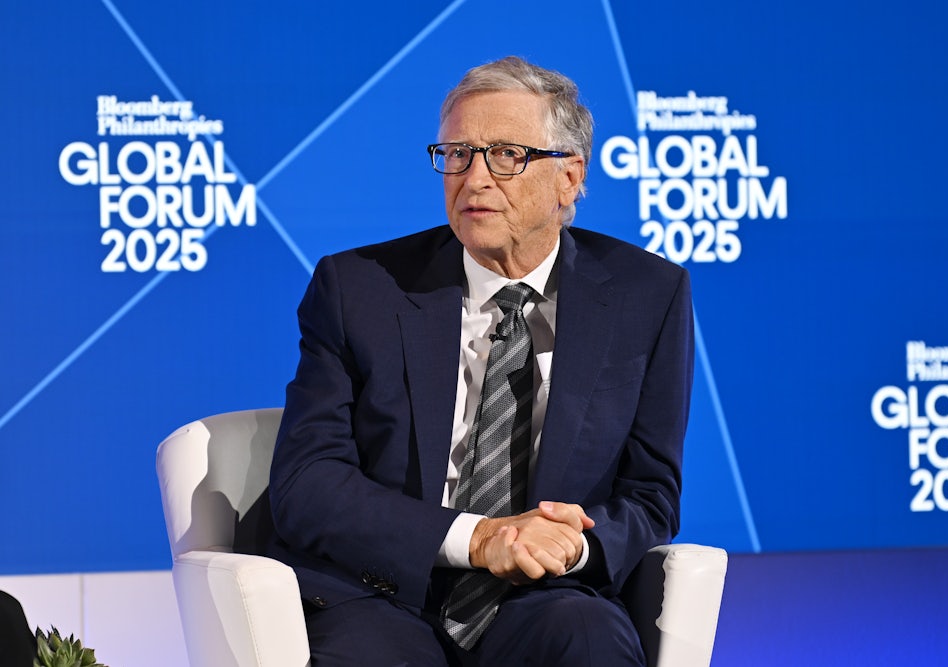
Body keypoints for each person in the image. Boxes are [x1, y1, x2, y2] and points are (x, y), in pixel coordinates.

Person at [268, 55, 693, 666]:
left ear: (569, 177)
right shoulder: (359, 289)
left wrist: (567, 547)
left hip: (544, 593)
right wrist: (476, 537)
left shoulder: (646, 296)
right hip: (379, 589)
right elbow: (307, 484)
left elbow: (651, 493)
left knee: (591, 641)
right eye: (457, 155)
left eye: (506, 155)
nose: (474, 179)